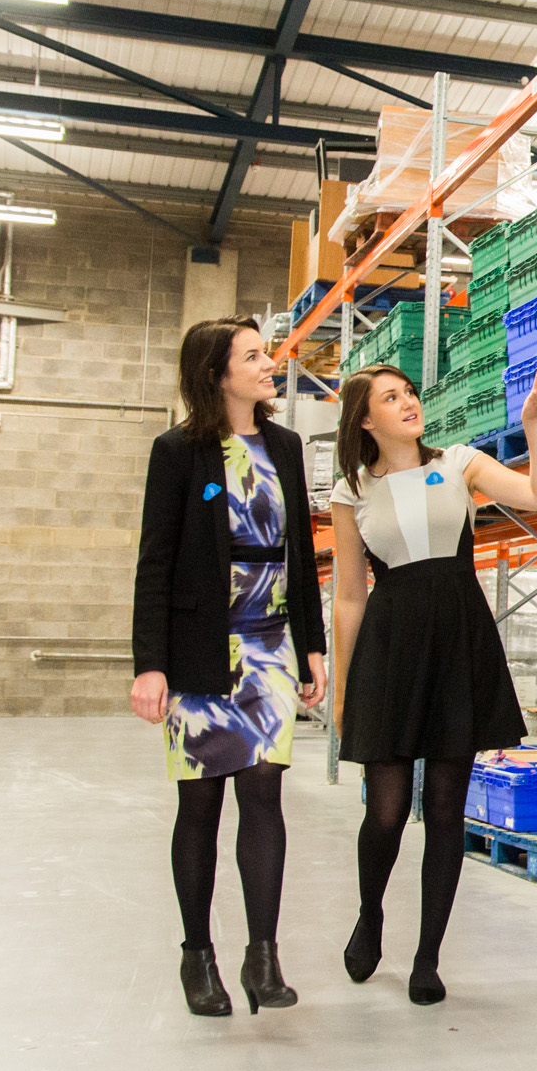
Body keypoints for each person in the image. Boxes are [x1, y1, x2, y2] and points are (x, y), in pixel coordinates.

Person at [329, 359, 537, 1005]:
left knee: (444, 810)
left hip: (457, 637)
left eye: (409, 392)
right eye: (390, 397)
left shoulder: (459, 462)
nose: (409, 402)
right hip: (390, 645)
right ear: (364, 420)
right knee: (385, 811)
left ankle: (428, 956)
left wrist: (533, 426)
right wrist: (344, 690)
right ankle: (370, 914)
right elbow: (348, 596)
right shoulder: (351, 490)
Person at [132, 317, 328, 1018]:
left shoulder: (285, 446)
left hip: (269, 643)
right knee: (201, 803)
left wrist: (312, 644)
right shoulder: (178, 452)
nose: (269, 363)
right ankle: (197, 955)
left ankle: (262, 956)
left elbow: (300, 551)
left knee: (264, 792)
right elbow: (155, 562)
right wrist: (150, 665)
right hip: (200, 650)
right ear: (217, 374)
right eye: (253, 356)